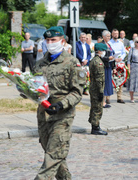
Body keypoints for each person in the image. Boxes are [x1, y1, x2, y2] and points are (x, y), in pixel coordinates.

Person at [33, 26, 86, 180]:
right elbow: (36, 87)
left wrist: (61, 105)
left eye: (53, 40)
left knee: (53, 155)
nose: (50, 43)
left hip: (62, 115)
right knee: (54, 154)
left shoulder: (72, 63)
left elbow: (77, 92)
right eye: (47, 40)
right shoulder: (40, 64)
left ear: (62, 41)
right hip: (44, 115)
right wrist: (26, 90)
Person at [88, 43, 108, 135]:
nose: (104, 52)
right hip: (97, 89)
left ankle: (94, 125)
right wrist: (101, 91)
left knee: (94, 107)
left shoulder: (93, 60)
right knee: (97, 108)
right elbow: (99, 79)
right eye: (103, 51)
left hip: (93, 87)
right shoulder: (98, 62)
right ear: (99, 51)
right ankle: (95, 127)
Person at [109, 28, 126, 104]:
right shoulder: (109, 43)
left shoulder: (121, 43)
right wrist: (114, 58)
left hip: (120, 63)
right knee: (110, 80)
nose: (116, 35)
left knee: (119, 79)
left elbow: (124, 52)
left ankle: (119, 97)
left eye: (117, 33)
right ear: (112, 34)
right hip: (112, 62)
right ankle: (107, 97)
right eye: (114, 33)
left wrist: (121, 58)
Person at [102, 30, 116, 108]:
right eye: (107, 36)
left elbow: (112, 54)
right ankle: (102, 102)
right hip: (104, 66)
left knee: (107, 84)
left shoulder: (109, 44)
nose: (109, 38)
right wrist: (108, 58)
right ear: (103, 37)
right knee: (103, 84)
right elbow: (100, 56)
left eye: (109, 36)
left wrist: (114, 66)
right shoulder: (101, 44)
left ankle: (104, 101)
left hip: (109, 66)